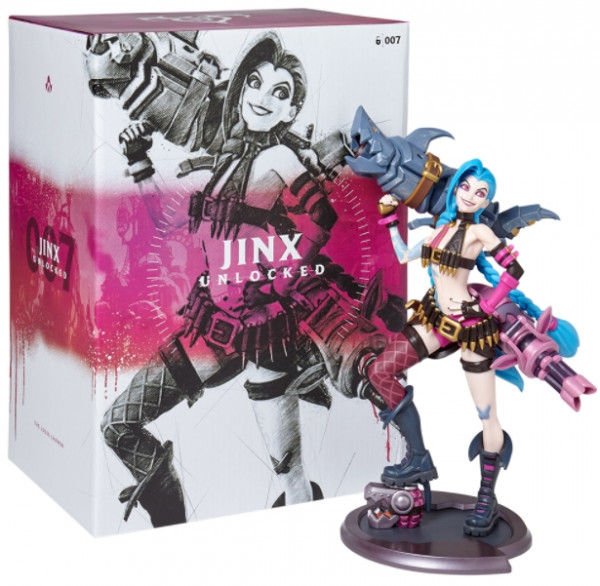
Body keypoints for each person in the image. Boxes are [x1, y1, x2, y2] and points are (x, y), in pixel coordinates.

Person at [100, 33, 342, 527]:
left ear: (292, 109)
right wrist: (139, 159)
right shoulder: (226, 162)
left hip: (264, 332)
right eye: (254, 82)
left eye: (279, 92)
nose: (262, 97)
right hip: (211, 325)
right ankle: (169, 528)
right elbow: (167, 227)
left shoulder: (280, 159)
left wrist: (279, 279)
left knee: (290, 476)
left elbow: (321, 220)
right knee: (119, 423)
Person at [367, 159, 524, 537]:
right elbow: (404, 256)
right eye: (466, 187)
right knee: (380, 371)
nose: (471, 195)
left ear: (486, 201)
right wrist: (389, 222)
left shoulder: (480, 232)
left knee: (486, 414)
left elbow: (514, 272)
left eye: (481, 193)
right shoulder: (441, 228)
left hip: (471, 328)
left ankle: (486, 496)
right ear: (455, 188)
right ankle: (418, 457)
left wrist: (485, 306)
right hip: (436, 319)